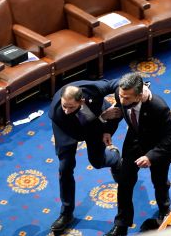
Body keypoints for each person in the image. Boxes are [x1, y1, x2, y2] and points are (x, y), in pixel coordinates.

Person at [104, 72, 171, 236]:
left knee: (159, 182)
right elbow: (118, 113)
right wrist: (108, 131)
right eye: (121, 96)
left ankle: (164, 209)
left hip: (157, 147)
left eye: (126, 98)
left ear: (139, 96)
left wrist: (150, 156)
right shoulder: (123, 94)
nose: (122, 101)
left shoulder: (158, 107)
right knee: (124, 182)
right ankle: (121, 224)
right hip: (134, 143)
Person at [48, 79, 124, 232]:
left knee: (97, 161)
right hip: (67, 129)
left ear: (81, 101)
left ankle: (115, 159)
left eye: (71, 107)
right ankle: (66, 213)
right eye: (64, 105)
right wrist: (102, 118)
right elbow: (82, 132)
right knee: (65, 167)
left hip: (95, 117)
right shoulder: (59, 113)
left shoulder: (92, 90)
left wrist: (120, 102)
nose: (67, 110)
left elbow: (117, 84)